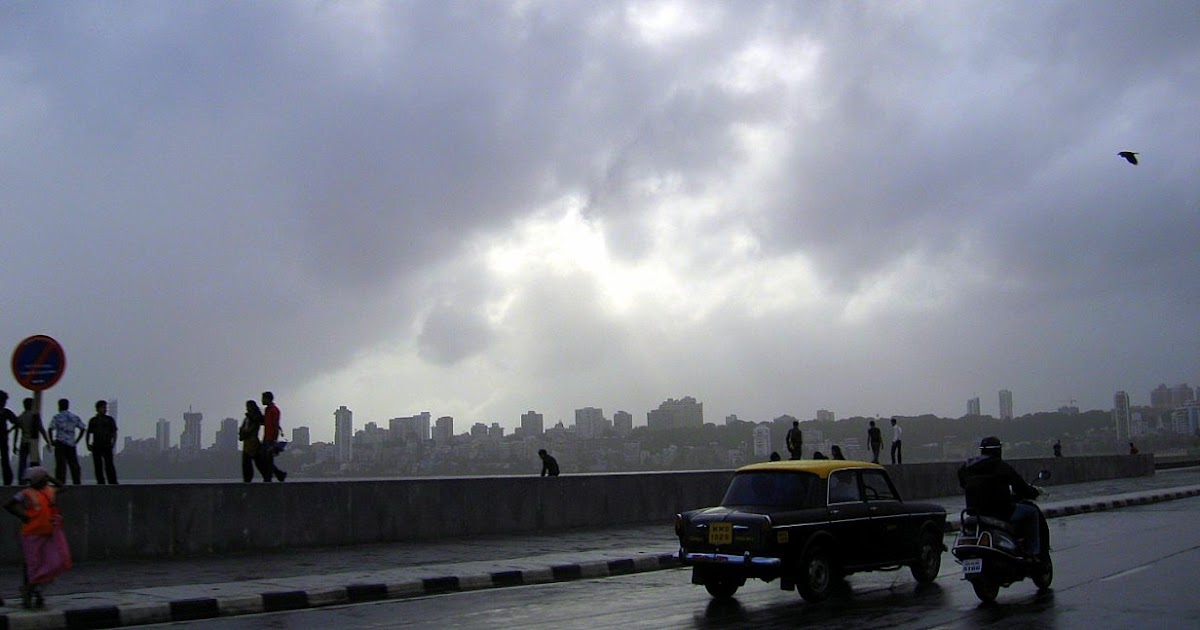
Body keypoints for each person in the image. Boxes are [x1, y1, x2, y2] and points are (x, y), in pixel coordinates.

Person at [958, 436, 1042, 559]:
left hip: (975, 512)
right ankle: (1035, 552)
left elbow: (963, 484)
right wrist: (1033, 492)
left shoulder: (966, 467)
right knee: (1032, 512)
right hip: (1001, 512)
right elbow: (1020, 487)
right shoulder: (1001, 466)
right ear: (998, 450)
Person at [4, 466, 71, 608]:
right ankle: (32, 594)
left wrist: (49, 477)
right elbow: (8, 505)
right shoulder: (25, 493)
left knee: (53, 563)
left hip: (49, 534)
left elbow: (63, 488)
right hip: (31, 534)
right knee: (33, 565)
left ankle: (30, 588)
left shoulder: (50, 490)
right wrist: (22, 516)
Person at [49, 399, 86, 485]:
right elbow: (83, 428)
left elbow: (50, 429)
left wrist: (51, 441)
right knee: (74, 465)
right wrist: (77, 440)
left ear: (59, 406)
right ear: (67, 406)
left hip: (60, 443)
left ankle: (60, 483)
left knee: (60, 466)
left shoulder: (57, 417)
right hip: (71, 444)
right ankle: (77, 483)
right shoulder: (74, 417)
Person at [14, 398, 50, 484]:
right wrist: (48, 441)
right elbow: (41, 429)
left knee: (22, 463)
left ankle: (22, 481)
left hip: (24, 441)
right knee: (35, 463)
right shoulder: (35, 417)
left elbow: (16, 432)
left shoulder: (21, 417)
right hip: (33, 443)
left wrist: (14, 445)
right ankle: (37, 480)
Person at [85, 400, 119, 484]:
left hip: (107, 445)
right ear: (98, 409)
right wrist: (87, 444)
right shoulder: (93, 420)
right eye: (103, 408)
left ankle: (113, 482)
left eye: (105, 408)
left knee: (109, 465)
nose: (105, 409)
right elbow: (88, 433)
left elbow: (114, 432)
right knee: (98, 465)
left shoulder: (109, 419)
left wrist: (113, 443)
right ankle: (100, 482)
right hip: (96, 446)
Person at [239, 400, 271, 482]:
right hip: (248, 444)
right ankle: (249, 480)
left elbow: (249, 430)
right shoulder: (247, 419)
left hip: (253, 444)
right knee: (249, 465)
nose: (247, 409)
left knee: (258, 463)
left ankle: (266, 478)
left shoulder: (254, 419)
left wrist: (244, 433)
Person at [261, 392, 287, 482]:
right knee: (266, 459)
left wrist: (275, 439)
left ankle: (272, 476)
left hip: (270, 438)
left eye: (263, 398)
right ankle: (278, 475)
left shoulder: (274, 410)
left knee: (267, 459)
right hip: (266, 437)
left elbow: (275, 424)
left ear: (268, 399)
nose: (262, 400)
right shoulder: (267, 410)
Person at [0, 391, 17, 485]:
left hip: (3, 438)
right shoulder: (6, 412)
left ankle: (8, 480)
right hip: (3, 437)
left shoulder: (6, 412)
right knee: (5, 460)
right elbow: (16, 422)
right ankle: (7, 480)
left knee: (5, 460)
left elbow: (16, 422)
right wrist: (9, 431)